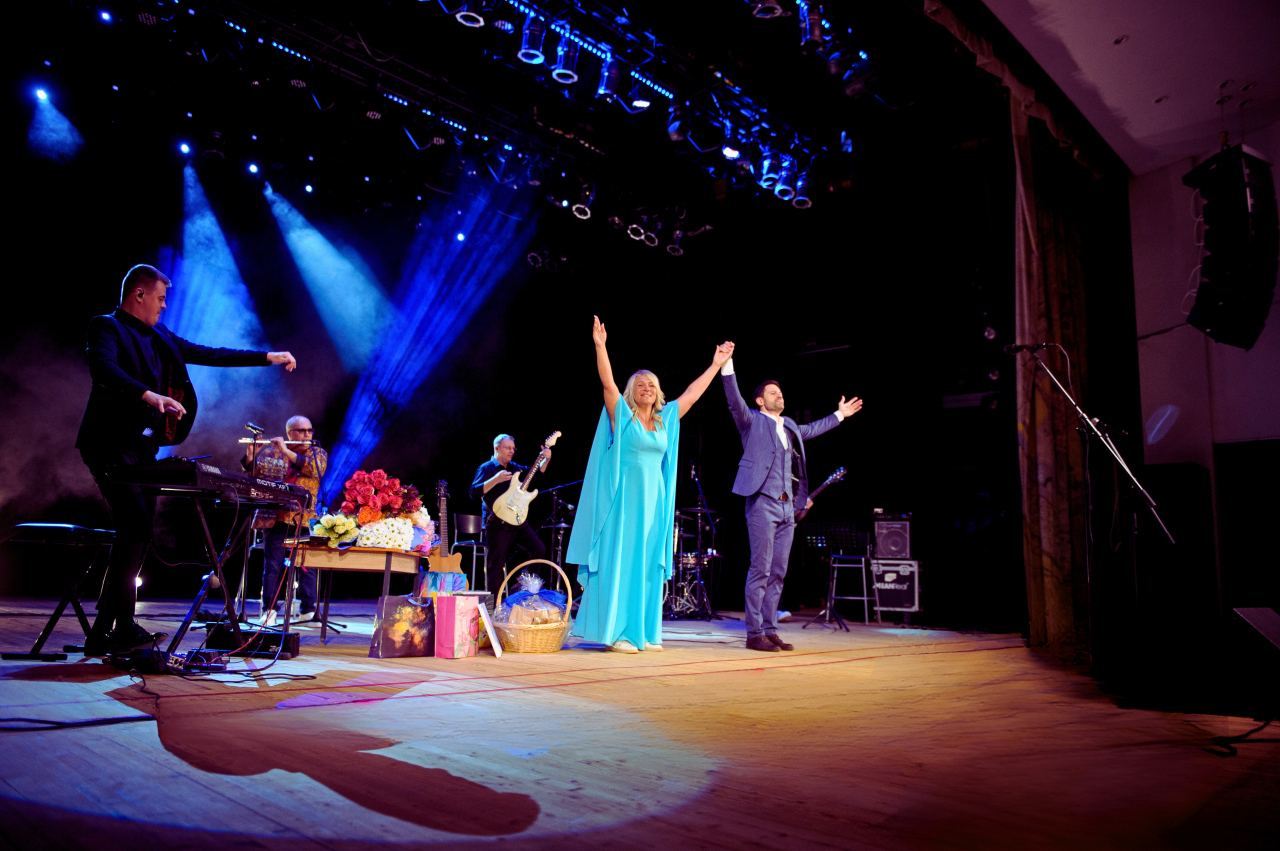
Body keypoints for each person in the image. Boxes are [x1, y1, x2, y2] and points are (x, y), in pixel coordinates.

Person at [76, 264, 297, 656]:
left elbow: (208, 353)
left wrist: (267, 357)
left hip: (142, 449)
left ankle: (104, 633)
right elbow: (103, 369)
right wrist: (149, 395)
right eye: (160, 298)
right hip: (108, 444)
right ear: (139, 294)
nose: (164, 306)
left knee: (137, 533)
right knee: (135, 528)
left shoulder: (161, 334)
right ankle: (119, 628)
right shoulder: (105, 326)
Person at [567, 316, 733, 653]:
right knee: (622, 562)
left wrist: (716, 365)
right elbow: (608, 384)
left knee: (644, 565)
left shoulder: (665, 419)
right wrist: (600, 346)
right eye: (640, 384)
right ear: (632, 392)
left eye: (652, 385)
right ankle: (617, 634)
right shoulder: (622, 416)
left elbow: (692, 394)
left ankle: (640, 632)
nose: (647, 388)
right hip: (623, 503)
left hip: (654, 503)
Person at [722, 353, 862, 651]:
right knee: (760, 569)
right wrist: (726, 365)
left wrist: (839, 415)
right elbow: (734, 400)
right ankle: (753, 633)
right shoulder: (751, 421)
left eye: (781, 392)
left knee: (778, 572)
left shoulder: (789, 425)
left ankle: (770, 629)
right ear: (760, 400)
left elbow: (812, 429)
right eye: (773, 393)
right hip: (762, 502)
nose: (779, 395)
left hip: (788, 507)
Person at [242, 416, 327, 625]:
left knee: (307, 566)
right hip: (275, 517)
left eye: (310, 430)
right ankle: (269, 611)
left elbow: (314, 469)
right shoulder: (271, 453)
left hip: (303, 518)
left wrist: (286, 451)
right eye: (302, 431)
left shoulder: (317, 453)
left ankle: (308, 611)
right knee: (273, 565)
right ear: (290, 433)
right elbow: (252, 478)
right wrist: (252, 455)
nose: (307, 435)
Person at [468, 434, 552, 593]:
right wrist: (495, 479)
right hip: (497, 523)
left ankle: (526, 590)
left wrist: (545, 460)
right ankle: (493, 605)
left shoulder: (514, 468)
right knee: (495, 566)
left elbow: (534, 475)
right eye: (507, 448)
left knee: (538, 549)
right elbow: (473, 492)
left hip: (517, 520)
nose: (511, 451)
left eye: (513, 448)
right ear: (497, 448)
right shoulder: (486, 468)